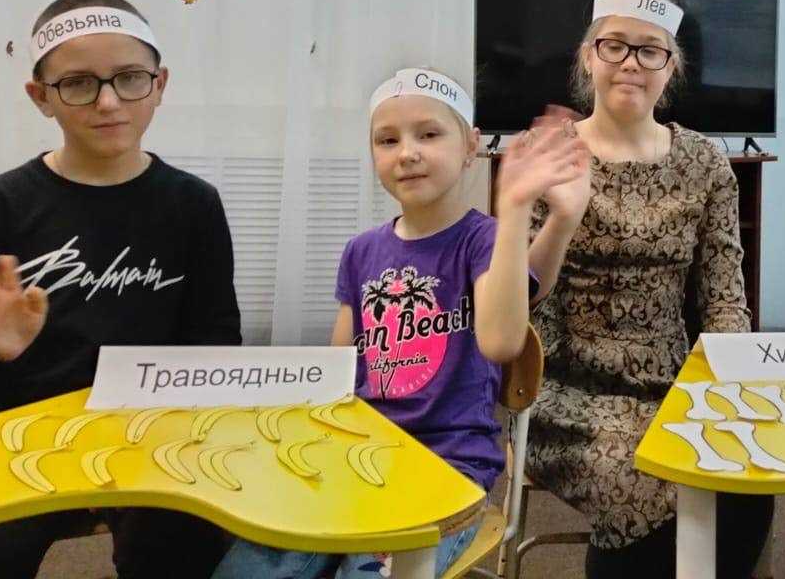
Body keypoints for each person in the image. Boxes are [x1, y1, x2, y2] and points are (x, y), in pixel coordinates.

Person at [213, 67, 589, 578]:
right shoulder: (360, 251)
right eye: (387, 140)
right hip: (354, 459)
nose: (407, 152)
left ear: (470, 146)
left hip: (445, 470)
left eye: (429, 134)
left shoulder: (483, 240)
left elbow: (503, 338)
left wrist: (519, 207)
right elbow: (335, 380)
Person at [0, 0, 242, 579]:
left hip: (151, 430)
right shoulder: (2, 203)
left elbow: (217, 341)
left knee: (184, 552)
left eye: (130, 78)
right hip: (24, 427)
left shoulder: (193, 204)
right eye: (77, 84)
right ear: (41, 96)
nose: (108, 101)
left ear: (160, 84)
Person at [525, 0, 774, 579]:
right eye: (614, 45)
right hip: (565, 391)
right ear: (589, 56)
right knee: (646, 485)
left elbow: (725, 300)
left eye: (650, 50)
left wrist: (729, 393)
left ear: (671, 66)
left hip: (674, 384)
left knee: (750, 479)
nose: (631, 63)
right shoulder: (552, 154)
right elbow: (518, 301)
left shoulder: (705, 163)